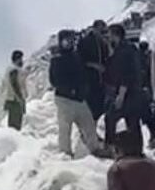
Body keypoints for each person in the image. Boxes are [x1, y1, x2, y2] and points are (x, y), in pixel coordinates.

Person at [49, 30, 105, 158]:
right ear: (61, 41)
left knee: (89, 124)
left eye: (71, 40)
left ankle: (95, 148)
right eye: (66, 40)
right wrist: (70, 89)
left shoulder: (76, 56)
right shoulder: (57, 59)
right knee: (65, 128)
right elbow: (54, 80)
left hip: (80, 98)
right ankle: (65, 153)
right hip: (64, 99)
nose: (69, 43)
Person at [103, 24, 143, 146]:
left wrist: (121, 94)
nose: (108, 38)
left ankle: (111, 146)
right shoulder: (129, 49)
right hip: (133, 91)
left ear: (115, 35)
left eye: (110, 35)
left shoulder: (123, 52)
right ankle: (136, 148)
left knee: (111, 119)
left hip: (126, 92)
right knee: (133, 122)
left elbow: (125, 73)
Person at [76, 20, 110, 130]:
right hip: (89, 81)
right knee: (90, 109)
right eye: (100, 30)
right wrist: (94, 65)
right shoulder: (85, 42)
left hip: (102, 81)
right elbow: (80, 61)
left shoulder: (104, 43)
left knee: (100, 109)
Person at [137, 41, 155, 149]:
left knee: (147, 116)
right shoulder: (150, 57)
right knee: (150, 116)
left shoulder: (140, 58)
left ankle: (154, 138)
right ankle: (154, 138)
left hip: (144, 90)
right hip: (150, 89)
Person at [4, 50, 27, 131]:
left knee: (14, 124)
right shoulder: (14, 70)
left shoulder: (12, 69)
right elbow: (15, 85)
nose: (22, 60)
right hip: (15, 101)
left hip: (14, 100)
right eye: (20, 58)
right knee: (15, 126)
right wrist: (20, 98)